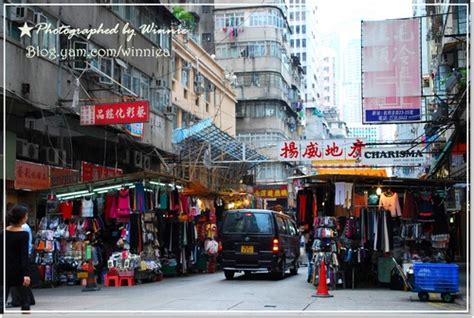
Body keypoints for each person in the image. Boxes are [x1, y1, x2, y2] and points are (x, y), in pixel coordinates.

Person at [5, 204, 31, 311]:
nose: (27, 217)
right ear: (22, 218)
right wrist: (26, 274)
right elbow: (23, 255)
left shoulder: (3, 232)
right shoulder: (23, 234)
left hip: (4, 269)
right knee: (25, 301)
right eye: (26, 216)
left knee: (2, 299)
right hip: (19, 270)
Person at [8, 217, 36, 308]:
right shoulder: (23, 227)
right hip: (22, 254)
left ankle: (17, 300)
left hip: (20, 255)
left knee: (16, 278)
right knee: (23, 278)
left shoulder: (23, 228)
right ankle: (28, 299)